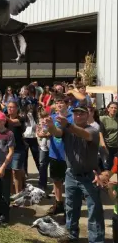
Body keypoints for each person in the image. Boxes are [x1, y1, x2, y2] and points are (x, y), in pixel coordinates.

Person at [45, 104, 106, 242]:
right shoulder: (67, 129)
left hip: (89, 177)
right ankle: (71, 236)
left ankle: (96, 240)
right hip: (71, 175)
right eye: (76, 114)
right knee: (71, 209)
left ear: (88, 115)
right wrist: (50, 126)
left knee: (94, 211)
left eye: (82, 114)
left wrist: (68, 125)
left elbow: (85, 135)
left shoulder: (93, 130)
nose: (78, 116)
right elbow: (57, 133)